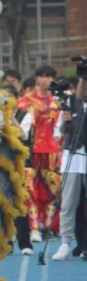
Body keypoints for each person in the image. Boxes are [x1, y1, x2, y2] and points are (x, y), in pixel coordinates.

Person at [18, 66, 61, 241]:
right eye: (41, 76)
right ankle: (34, 228)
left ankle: (48, 228)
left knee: (53, 191)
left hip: (52, 152)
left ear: (52, 79)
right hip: (30, 152)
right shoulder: (24, 102)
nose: (44, 80)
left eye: (48, 77)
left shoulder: (57, 103)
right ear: (36, 79)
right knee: (30, 190)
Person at [53, 77, 86, 261]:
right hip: (73, 158)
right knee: (68, 202)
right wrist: (66, 121)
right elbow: (58, 132)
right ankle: (65, 242)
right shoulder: (69, 103)